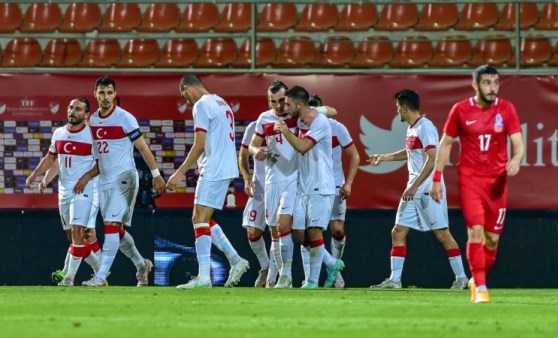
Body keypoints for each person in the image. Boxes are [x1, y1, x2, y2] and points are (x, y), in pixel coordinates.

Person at [430, 65, 524, 303]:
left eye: (495, 82)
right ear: (475, 85)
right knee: (476, 231)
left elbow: (518, 141)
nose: (492, 88)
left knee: (492, 239)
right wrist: (437, 179)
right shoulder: (460, 110)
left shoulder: (507, 109)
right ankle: (481, 287)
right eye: (487, 83)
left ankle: (476, 278)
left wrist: (516, 159)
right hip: (470, 179)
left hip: (497, 183)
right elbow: (446, 144)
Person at [367, 89, 468, 290]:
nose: (397, 112)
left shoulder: (425, 127)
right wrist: (385, 157)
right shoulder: (412, 128)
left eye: (398, 108)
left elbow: (433, 158)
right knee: (398, 231)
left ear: (404, 108)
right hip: (413, 189)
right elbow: (411, 152)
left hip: (427, 189)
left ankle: (462, 278)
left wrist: (414, 186)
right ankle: (395, 280)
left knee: (442, 234)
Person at [81, 77, 165, 287]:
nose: (106, 97)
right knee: (115, 231)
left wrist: (156, 174)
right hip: (104, 181)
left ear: (115, 94)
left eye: (109, 93)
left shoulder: (125, 118)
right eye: (102, 93)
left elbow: (143, 148)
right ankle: (141, 264)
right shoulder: (91, 120)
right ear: (95, 94)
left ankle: (100, 277)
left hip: (125, 179)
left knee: (110, 225)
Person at [167, 74, 248, 289]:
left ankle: (204, 278)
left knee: (198, 217)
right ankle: (235, 260)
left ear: (186, 89)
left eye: (183, 95)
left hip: (214, 167)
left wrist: (179, 173)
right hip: (226, 166)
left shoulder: (201, 105)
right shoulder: (221, 102)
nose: (185, 101)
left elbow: (199, 144)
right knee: (204, 219)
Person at [25, 98, 101, 286]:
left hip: (84, 190)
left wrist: (85, 177)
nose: (72, 111)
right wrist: (36, 175)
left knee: (78, 231)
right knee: (73, 238)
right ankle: (101, 270)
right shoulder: (59, 133)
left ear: (86, 114)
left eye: (78, 109)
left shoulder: (92, 136)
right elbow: (51, 158)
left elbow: (102, 165)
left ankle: (69, 278)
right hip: (64, 191)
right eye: (71, 108)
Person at [274, 85, 343, 289]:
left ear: (300, 104)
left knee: (314, 232)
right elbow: (328, 109)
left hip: (321, 185)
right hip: (303, 186)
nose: (284, 107)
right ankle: (331, 263)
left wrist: (286, 132)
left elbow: (303, 147)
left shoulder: (319, 122)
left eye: (288, 104)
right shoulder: (301, 118)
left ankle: (312, 281)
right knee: (298, 233)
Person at [249, 80, 299, 288]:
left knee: (283, 225)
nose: (278, 105)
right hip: (272, 180)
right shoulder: (264, 119)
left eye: (281, 100)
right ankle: (278, 276)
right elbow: (252, 146)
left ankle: (286, 274)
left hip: (293, 178)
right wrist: (256, 151)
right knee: (274, 231)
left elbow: (331, 112)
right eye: (273, 101)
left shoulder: (296, 114)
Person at [308, 94, 360, 288]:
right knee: (309, 232)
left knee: (337, 230)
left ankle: (335, 272)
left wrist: (349, 183)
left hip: (335, 184)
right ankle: (318, 273)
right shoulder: (302, 129)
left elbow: (355, 156)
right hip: (312, 185)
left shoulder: (336, 127)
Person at [239, 121, 278, 287]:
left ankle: (274, 276)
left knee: (276, 232)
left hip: (278, 187)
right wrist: (247, 179)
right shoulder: (254, 127)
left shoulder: (287, 126)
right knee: (253, 233)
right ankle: (266, 266)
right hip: (259, 189)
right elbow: (243, 155)